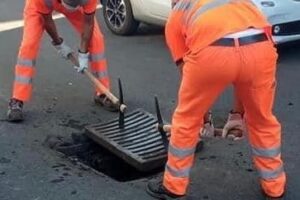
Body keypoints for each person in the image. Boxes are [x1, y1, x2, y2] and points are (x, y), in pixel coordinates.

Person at [146, 0, 286, 199]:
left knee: (186, 119)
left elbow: (187, 73)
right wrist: (237, 115)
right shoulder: (241, 3)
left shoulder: (177, 14)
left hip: (213, 54)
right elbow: (243, 70)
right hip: (260, 49)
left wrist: (202, 117)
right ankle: (274, 187)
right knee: (262, 121)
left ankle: (174, 186)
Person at [7, 0, 117, 122]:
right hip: (39, 7)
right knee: (29, 45)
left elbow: (88, 22)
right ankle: (17, 99)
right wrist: (59, 43)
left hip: (74, 5)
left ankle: (102, 92)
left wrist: (83, 53)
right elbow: (46, 19)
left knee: (96, 40)